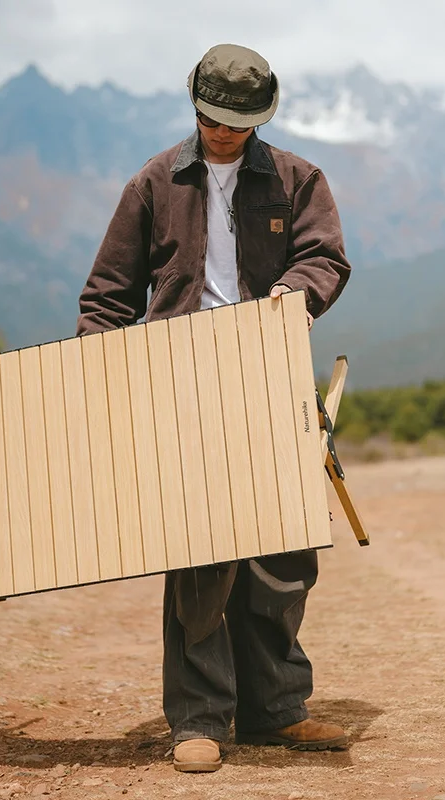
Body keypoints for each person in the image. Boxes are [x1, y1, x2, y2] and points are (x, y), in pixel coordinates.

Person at [76, 43, 352, 773]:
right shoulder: (152, 183)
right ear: (195, 105)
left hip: (269, 378)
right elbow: (107, 297)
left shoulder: (299, 179)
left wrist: (296, 291)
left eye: (237, 123)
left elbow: (326, 256)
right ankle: (199, 718)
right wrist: (93, 387)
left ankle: (277, 711)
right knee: (201, 557)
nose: (223, 133)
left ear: (261, 117)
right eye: (212, 119)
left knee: (284, 552)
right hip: (180, 387)